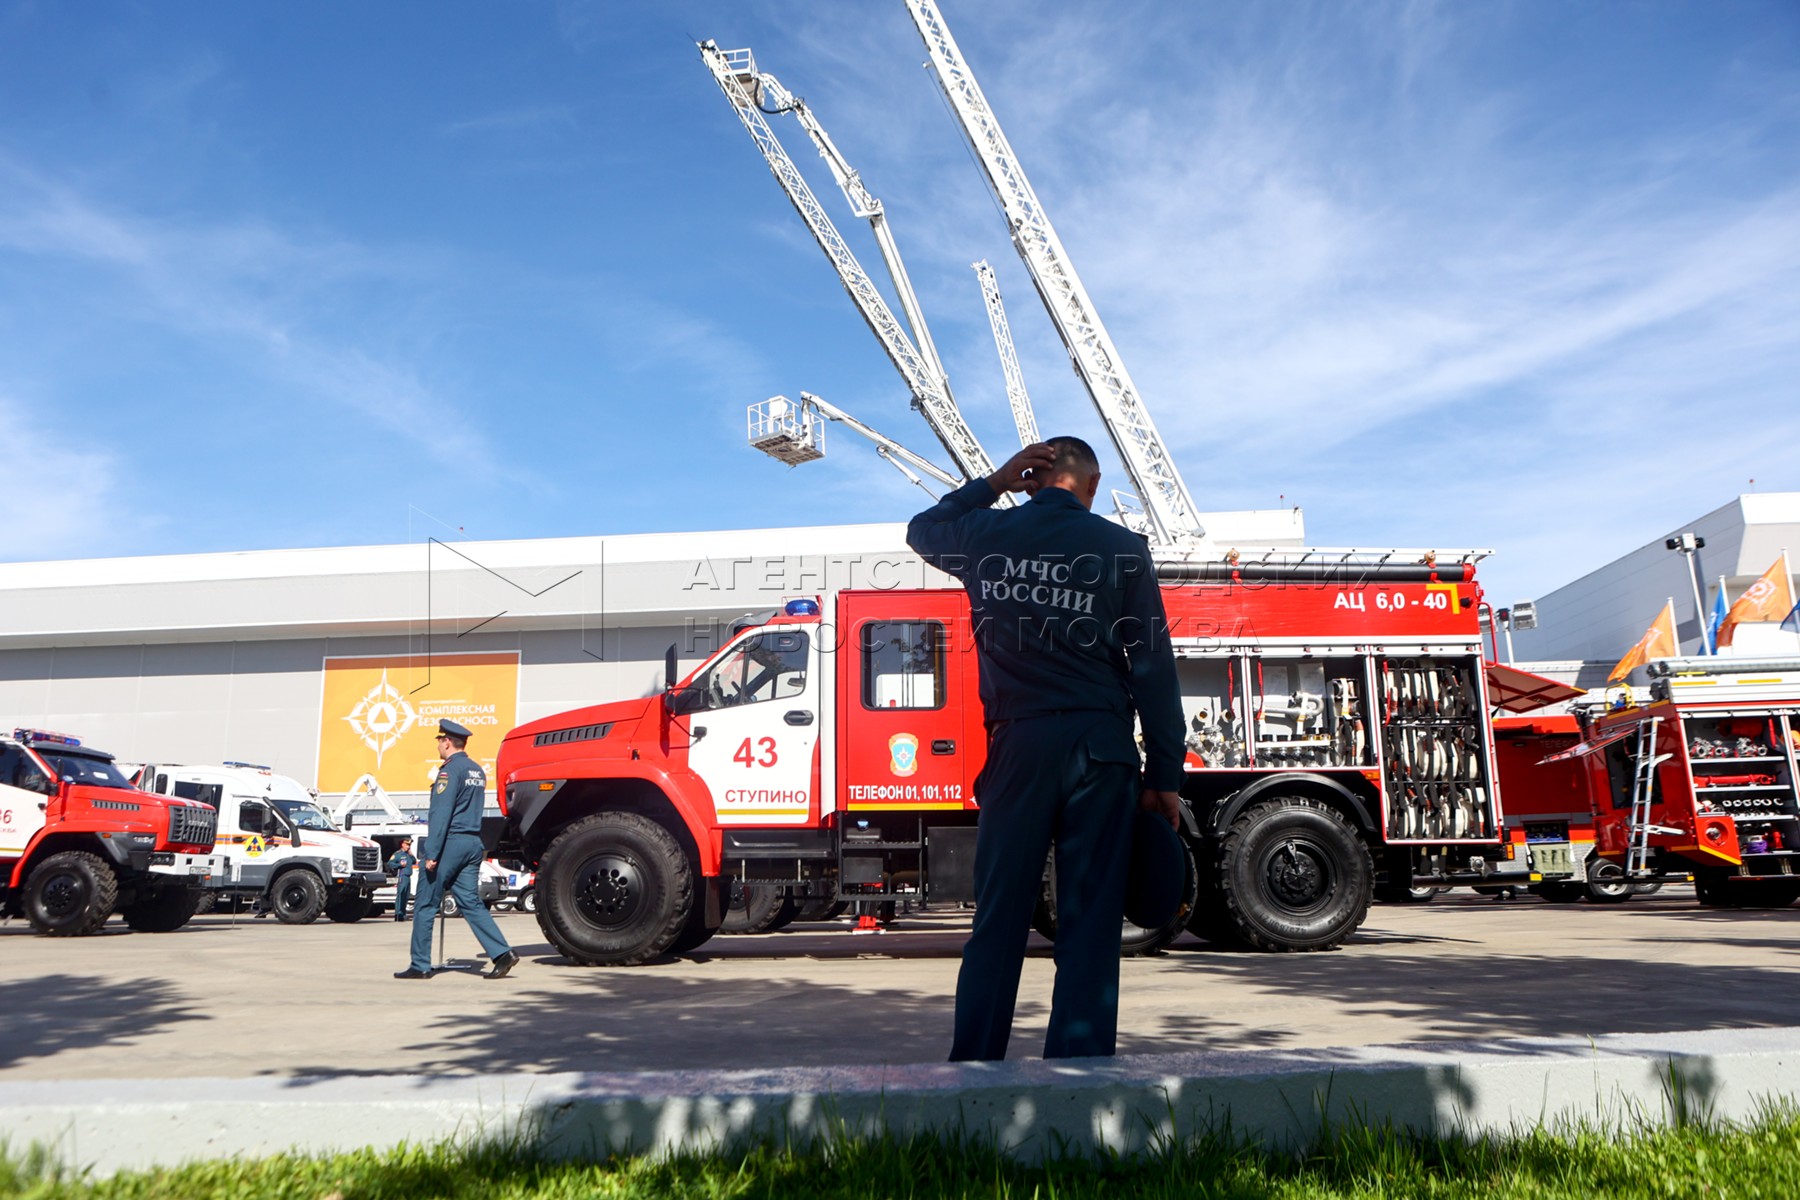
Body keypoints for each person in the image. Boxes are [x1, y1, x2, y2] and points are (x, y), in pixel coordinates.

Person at [907, 437, 1183, 1061]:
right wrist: (1165, 772)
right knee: (1089, 924)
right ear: (1091, 484)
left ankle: (975, 1070)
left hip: (1019, 746)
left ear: (1034, 480)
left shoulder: (986, 534)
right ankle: (1079, 1078)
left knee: (999, 918)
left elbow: (923, 529)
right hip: (1101, 750)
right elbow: (1153, 666)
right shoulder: (1123, 550)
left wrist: (994, 481)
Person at [394, 720, 519, 980]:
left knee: (425, 903)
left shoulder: (449, 772)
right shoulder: (476, 770)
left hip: (449, 842)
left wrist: (432, 853)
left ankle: (420, 964)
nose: (439, 745)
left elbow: (441, 814)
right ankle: (502, 953)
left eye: (440, 740)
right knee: (471, 902)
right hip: (472, 842)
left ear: (447, 742)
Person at [386, 837, 417, 922]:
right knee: (400, 895)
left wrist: (411, 855)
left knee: (406, 896)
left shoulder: (408, 854)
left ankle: (403, 913)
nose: (408, 846)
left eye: (409, 845)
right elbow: (390, 864)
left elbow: (414, 861)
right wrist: (399, 865)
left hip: (408, 877)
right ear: (402, 844)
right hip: (402, 876)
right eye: (407, 844)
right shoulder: (398, 854)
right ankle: (397, 914)